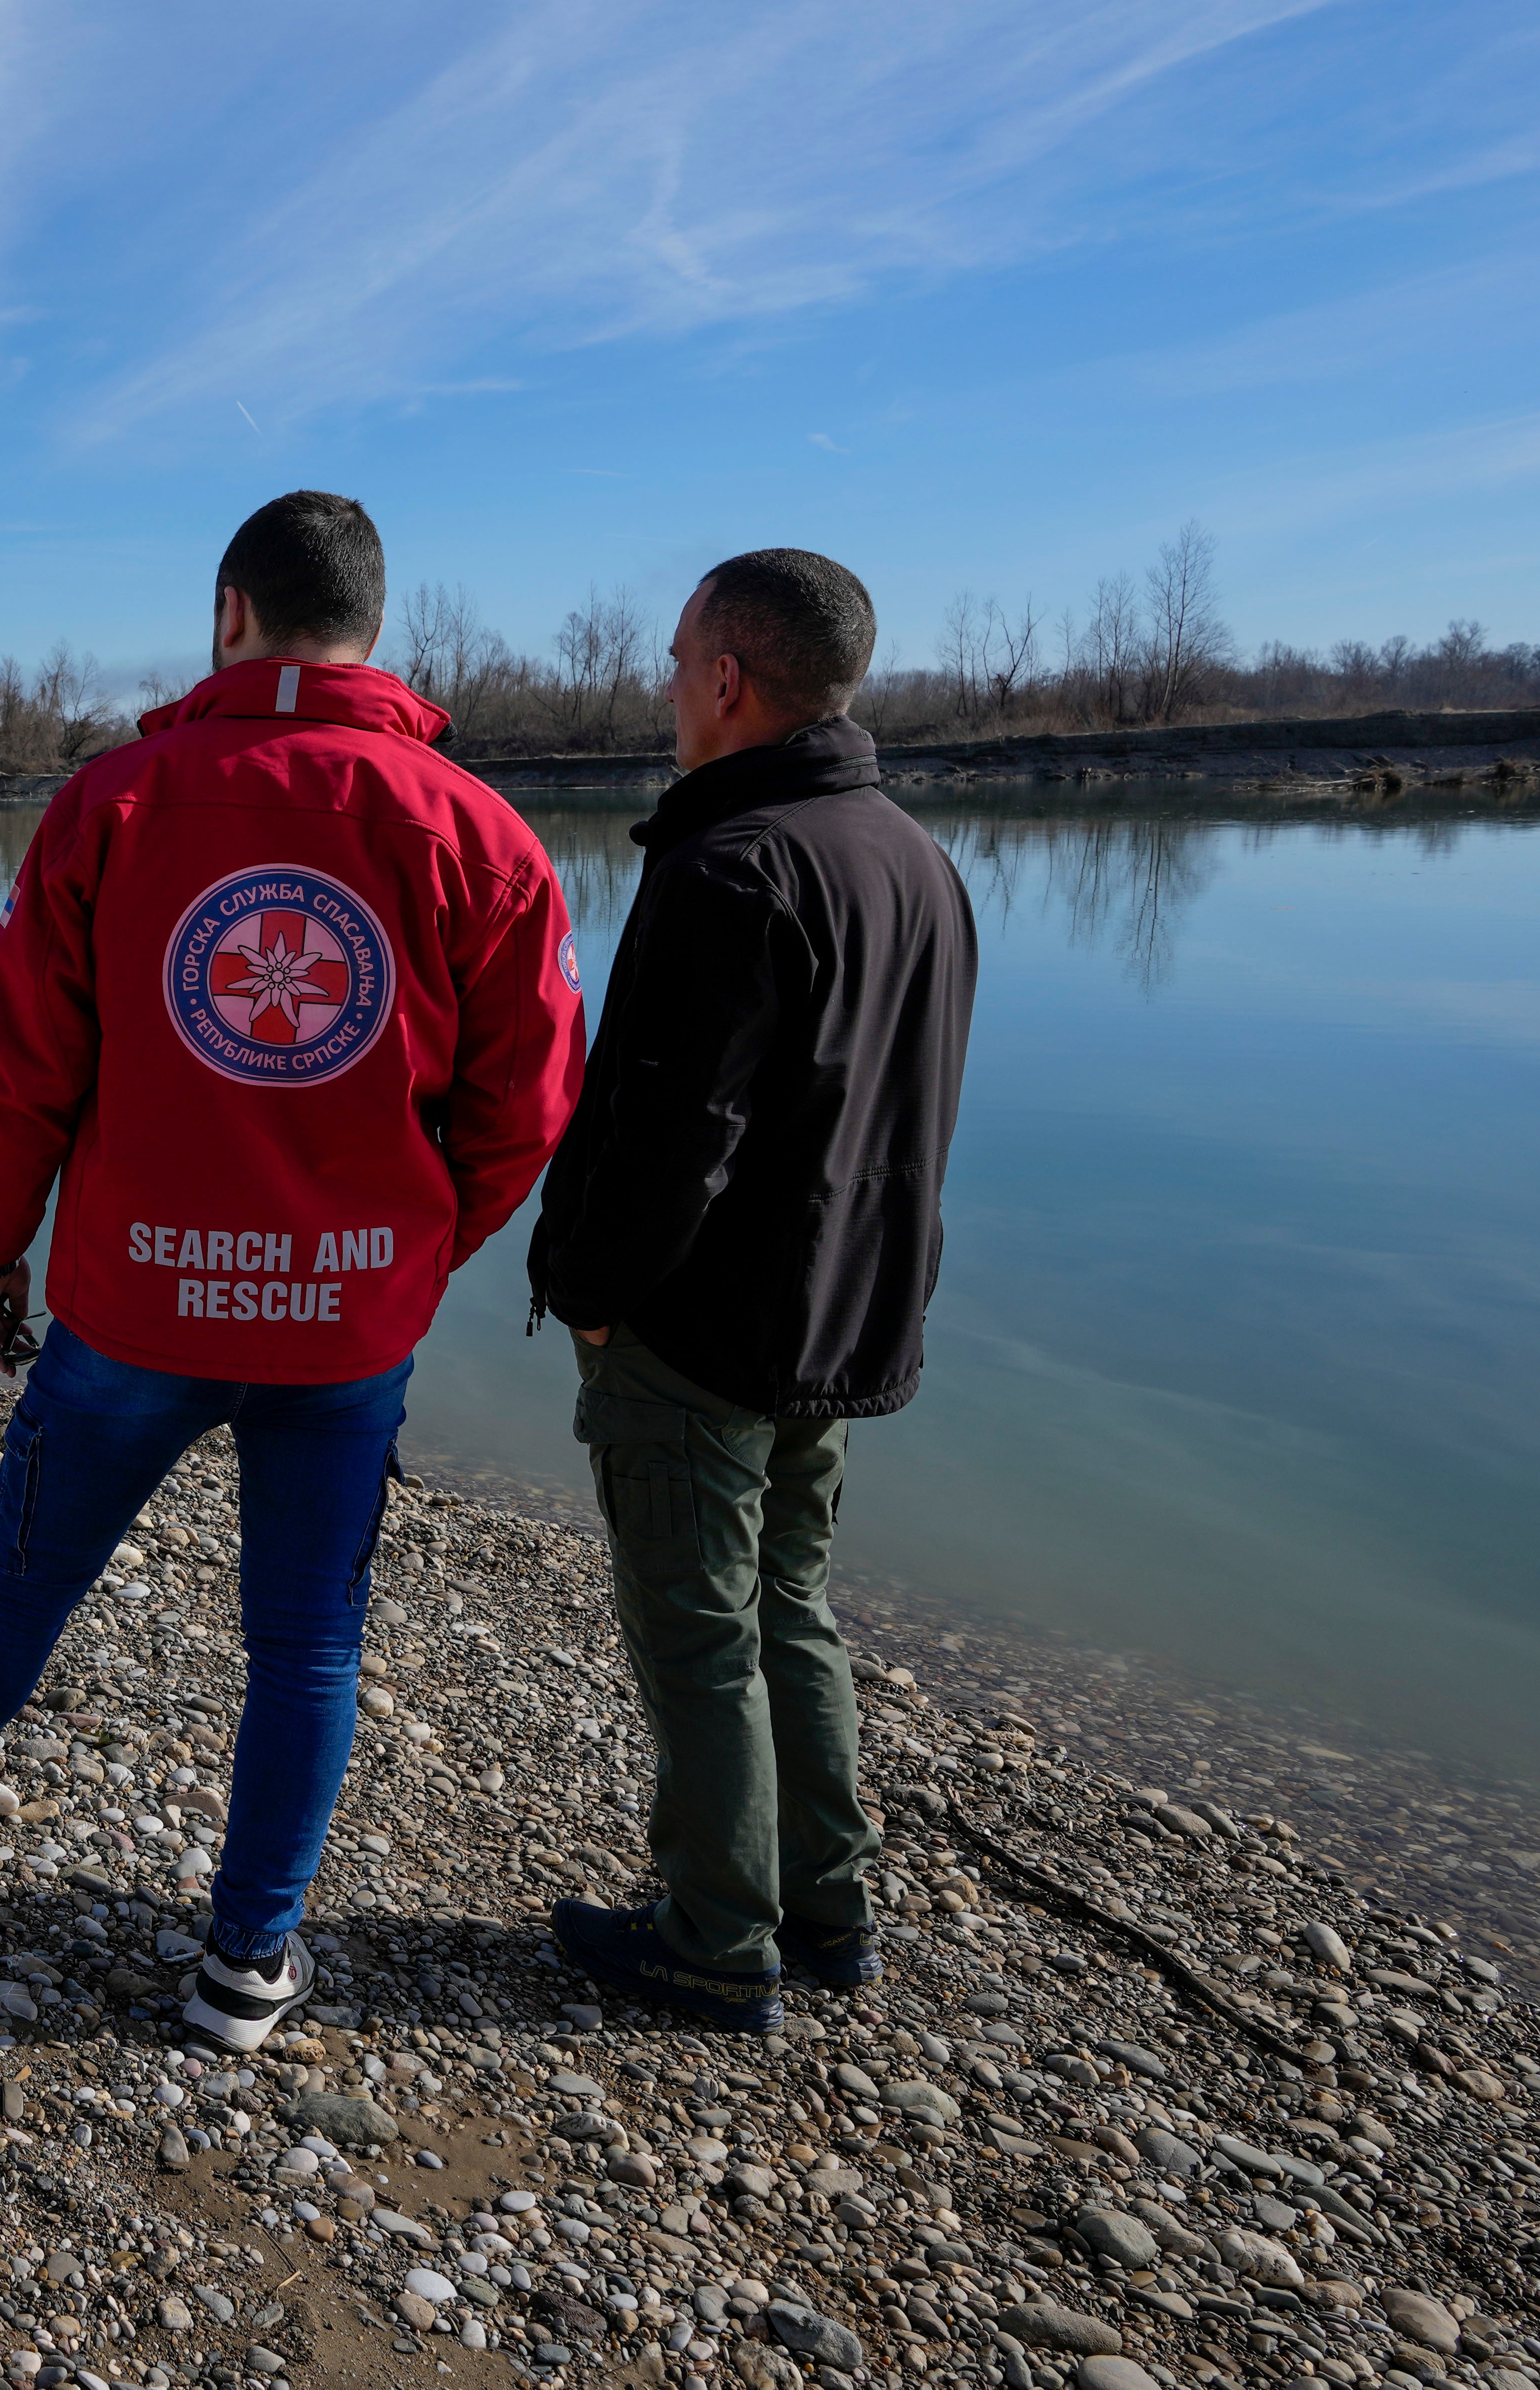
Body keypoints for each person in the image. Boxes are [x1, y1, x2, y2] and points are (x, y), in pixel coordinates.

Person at [0, 491, 589, 2052]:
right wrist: (417, 1254)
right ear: (372, 625)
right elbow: (531, 1099)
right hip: (347, 1321)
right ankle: (248, 1959)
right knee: (307, 1642)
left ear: (231, 612)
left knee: (27, 1575)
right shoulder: (479, 834)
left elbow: (30, 1060)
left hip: (133, 1304)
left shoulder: (115, 802)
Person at [525, 548, 978, 2033]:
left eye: (675, 663)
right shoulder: (914, 858)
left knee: (702, 1627)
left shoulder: (736, 865)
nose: (666, 690)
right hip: (840, 1321)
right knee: (793, 1601)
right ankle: (826, 1906)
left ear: (729, 677)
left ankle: (718, 1936)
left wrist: (587, 1292)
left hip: (706, 1331)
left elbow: (673, 1137)